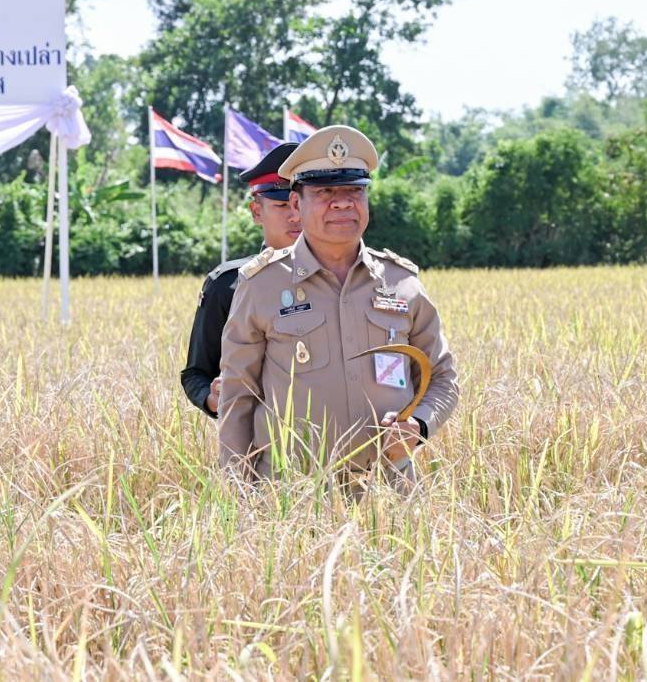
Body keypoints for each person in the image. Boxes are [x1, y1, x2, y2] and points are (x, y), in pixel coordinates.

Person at [217, 124, 459, 487]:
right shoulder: (261, 285)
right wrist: (236, 491)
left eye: (354, 190)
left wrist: (419, 425)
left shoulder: (402, 281)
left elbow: (442, 377)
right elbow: (238, 396)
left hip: (389, 494)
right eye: (325, 191)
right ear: (296, 204)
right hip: (293, 496)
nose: (343, 202)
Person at [181, 142, 302, 416]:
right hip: (258, 433)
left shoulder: (346, 278)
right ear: (257, 212)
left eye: (301, 204)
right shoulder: (229, 284)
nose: (295, 216)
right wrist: (213, 398)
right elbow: (196, 373)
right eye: (283, 205)